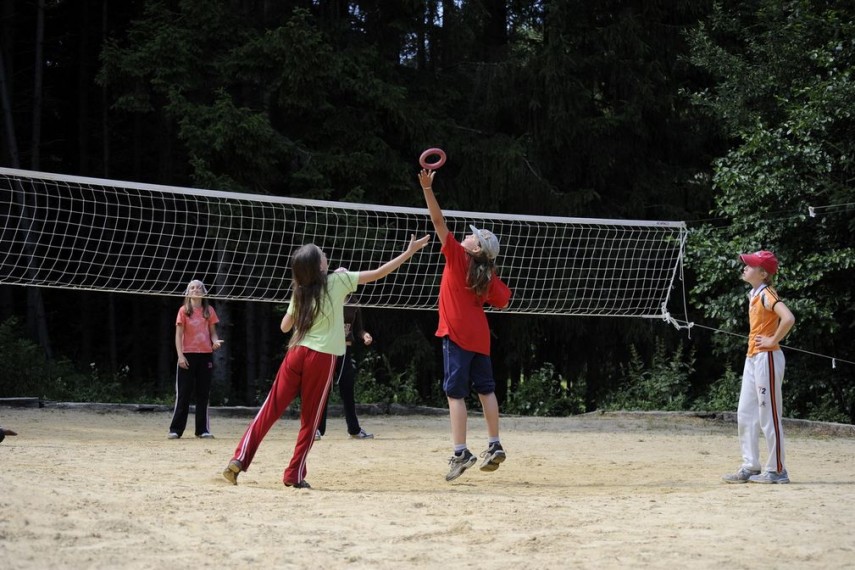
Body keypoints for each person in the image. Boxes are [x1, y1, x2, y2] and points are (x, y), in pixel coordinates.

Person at [223, 234, 430, 489]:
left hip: (296, 352)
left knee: (270, 409)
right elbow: (379, 273)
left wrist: (307, 312)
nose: (326, 254)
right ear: (319, 265)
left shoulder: (300, 290)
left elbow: (284, 326)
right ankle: (293, 475)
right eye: (322, 253)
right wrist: (409, 252)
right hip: (320, 358)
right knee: (310, 420)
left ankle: (239, 458)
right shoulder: (338, 281)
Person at [418, 168, 512, 482]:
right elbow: (504, 300)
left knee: (455, 395)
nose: (467, 235)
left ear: (475, 248)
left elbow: (438, 222)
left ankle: (461, 452)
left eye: (472, 236)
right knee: (486, 390)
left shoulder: (459, 257)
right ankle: (494, 444)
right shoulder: (486, 274)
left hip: (457, 334)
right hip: (480, 337)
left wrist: (427, 189)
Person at [722, 250, 796, 484]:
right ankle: (750, 466)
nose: (745, 267)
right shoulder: (754, 294)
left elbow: (788, 318)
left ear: (763, 274)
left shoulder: (767, 293)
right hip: (753, 357)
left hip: (767, 358)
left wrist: (773, 340)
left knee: (768, 414)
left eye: (750, 265)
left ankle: (777, 470)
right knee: (745, 413)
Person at [316, 284, 375, 441]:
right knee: (323, 390)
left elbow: (359, 329)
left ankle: (354, 430)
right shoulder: (326, 300)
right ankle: (317, 429)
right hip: (328, 349)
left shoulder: (353, 302)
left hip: (344, 350)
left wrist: (365, 335)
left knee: (347, 389)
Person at [168, 279, 224, 439]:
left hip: (205, 355)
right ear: (188, 292)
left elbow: (213, 333)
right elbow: (178, 335)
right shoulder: (183, 311)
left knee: (203, 394)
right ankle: (175, 430)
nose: (196, 289)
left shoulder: (209, 310)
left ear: (204, 292)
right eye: (192, 287)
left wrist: (215, 342)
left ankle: (202, 430)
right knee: (183, 394)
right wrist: (180, 356)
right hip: (187, 355)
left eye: (199, 287)